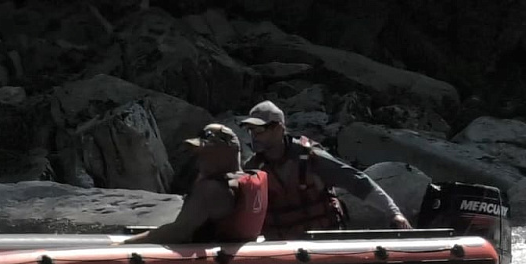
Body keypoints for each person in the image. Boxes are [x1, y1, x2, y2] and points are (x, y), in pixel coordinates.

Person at [239, 101, 411, 239]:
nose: (254, 136)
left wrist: (394, 213)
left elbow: (358, 182)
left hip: (322, 240)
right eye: (250, 130)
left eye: (259, 130)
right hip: (281, 248)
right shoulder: (252, 169)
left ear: (278, 128)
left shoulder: (311, 157)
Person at [125, 123, 268, 244]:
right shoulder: (247, 180)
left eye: (206, 152)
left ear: (225, 151)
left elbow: (178, 233)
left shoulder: (211, 189)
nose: (199, 159)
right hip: (233, 260)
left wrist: (125, 244)